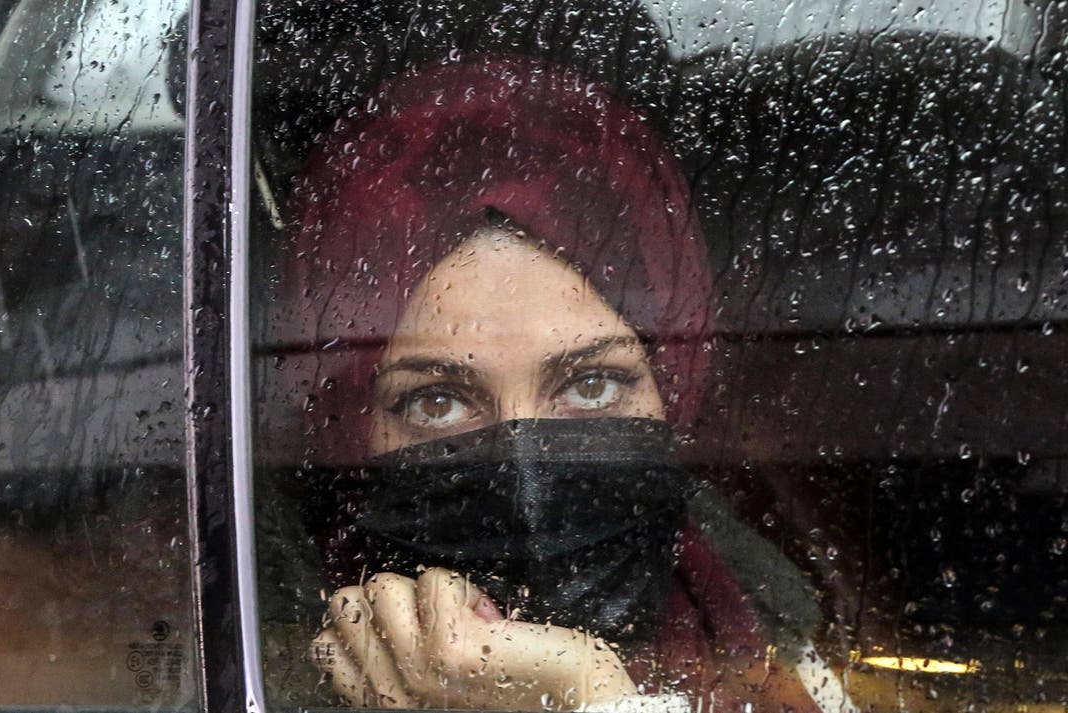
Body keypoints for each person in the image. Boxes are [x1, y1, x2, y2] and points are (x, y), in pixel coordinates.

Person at [281, 54, 856, 713]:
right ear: (348, 425)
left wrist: (586, 687)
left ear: (674, 388)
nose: (529, 481)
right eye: (436, 402)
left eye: (591, 386)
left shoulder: (760, 628)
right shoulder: (235, 644)